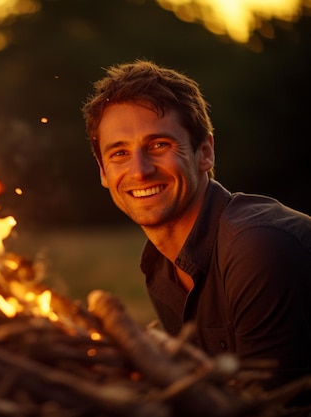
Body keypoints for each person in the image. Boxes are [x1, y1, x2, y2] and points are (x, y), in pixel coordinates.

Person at [81, 59, 311, 401]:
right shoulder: (159, 266)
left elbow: (271, 407)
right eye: (119, 153)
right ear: (102, 171)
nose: (140, 171)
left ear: (204, 152)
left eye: (159, 145)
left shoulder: (259, 246)